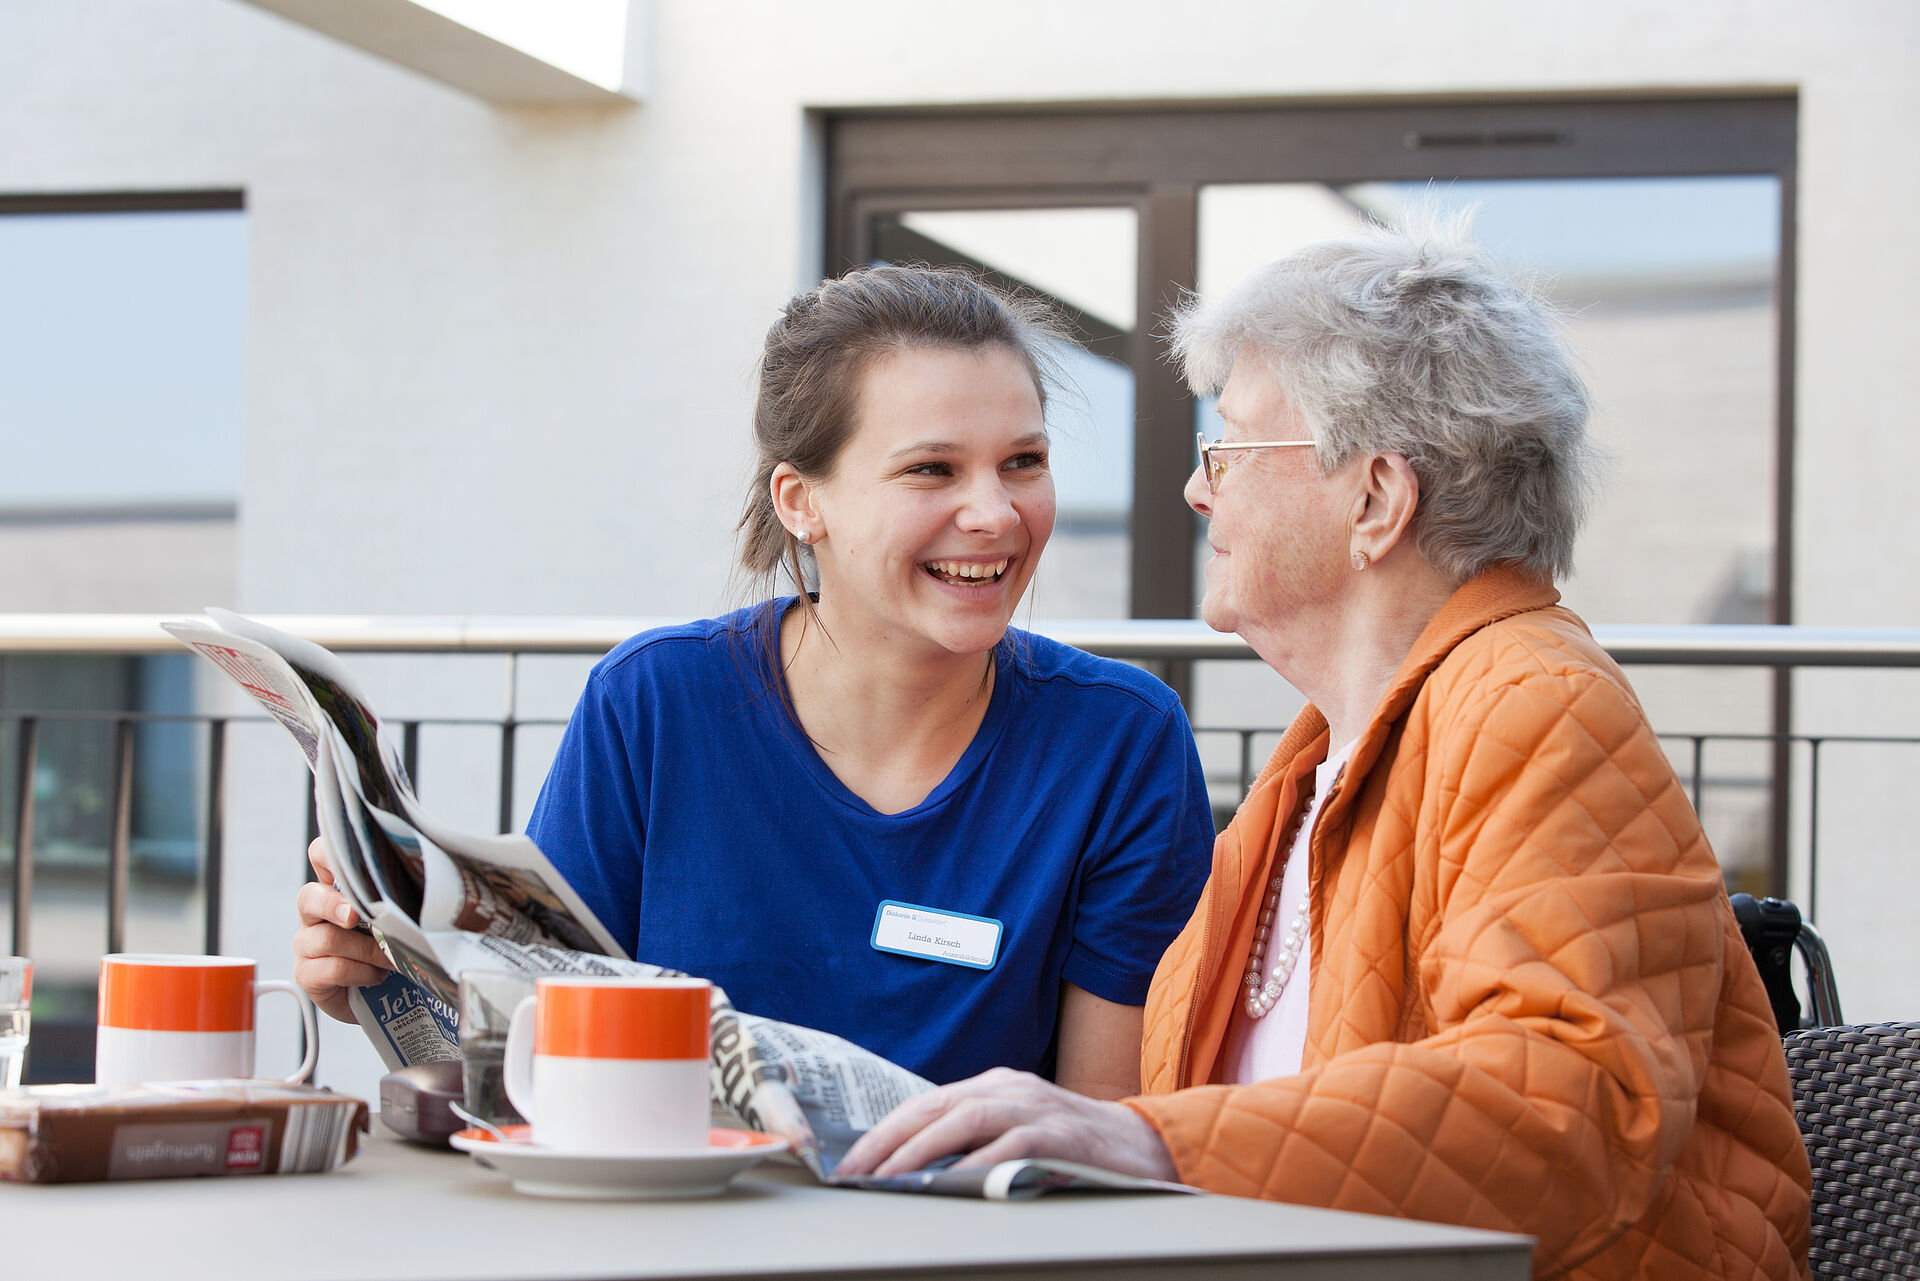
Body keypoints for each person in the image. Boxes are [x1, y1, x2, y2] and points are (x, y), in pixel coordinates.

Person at [839, 219, 1812, 1278]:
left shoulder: (1538, 703)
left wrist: (1149, 1142)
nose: (1196, 489)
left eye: (1232, 445)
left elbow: (1570, 1103)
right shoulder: (1312, 770)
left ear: (1376, 500)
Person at [292, 264, 1215, 1094]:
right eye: (932, 469)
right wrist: (372, 983)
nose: (995, 512)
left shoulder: (1121, 740)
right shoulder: (654, 706)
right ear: (799, 500)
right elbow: (539, 1065)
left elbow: (1106, 1131)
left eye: (1025, 461)